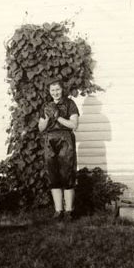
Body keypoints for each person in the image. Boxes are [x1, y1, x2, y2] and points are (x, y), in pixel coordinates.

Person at [38, 79, 80, 222]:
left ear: (62, 90)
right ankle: (58, 211)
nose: (55, 93)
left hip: (65, 140)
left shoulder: (70, 104)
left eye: (57, 89)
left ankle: (69, 211)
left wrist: (58, 117)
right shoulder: (46, 106)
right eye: (52, 90)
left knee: (67, 175)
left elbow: (74, 125)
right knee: (53, 175)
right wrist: (47, 118)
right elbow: (41, 128)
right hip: (50, 141)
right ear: (49, 92)